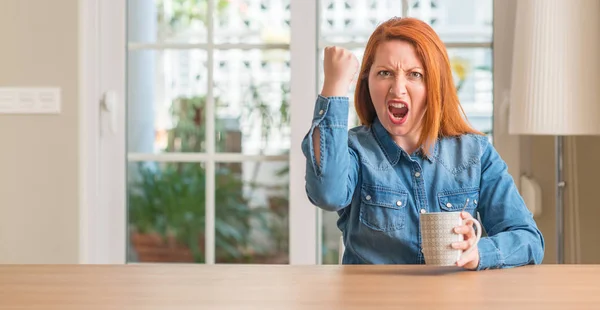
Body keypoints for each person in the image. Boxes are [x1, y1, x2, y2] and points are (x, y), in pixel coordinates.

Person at [301, 17, 544, 270]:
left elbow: (528, 240)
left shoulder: (476, 153)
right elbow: (327, 194)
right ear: (367, 81)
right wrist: (334, 87)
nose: (398, 89)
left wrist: (477, 252)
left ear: (434, 85)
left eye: (415, 75)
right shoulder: (353, 150)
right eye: (384, 73)